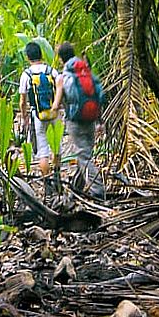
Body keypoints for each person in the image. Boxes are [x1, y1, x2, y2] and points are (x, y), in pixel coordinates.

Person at [52, 41, 105, 200]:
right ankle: (78, 186)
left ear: (61, 59)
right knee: (86, 153)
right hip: (91, 118)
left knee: (83, 156)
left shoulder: (64, 76)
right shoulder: (87, 72)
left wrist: (54, 110)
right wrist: (100, 121)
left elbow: (57, 103)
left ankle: (98, 190)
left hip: (75, 120)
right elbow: (98, 95)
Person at [18, 41, 59, 192]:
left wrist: (24, 118)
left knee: (43, 149)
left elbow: (22, 101)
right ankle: (58, 177)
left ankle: (47, 184)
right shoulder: (51, 71)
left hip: (38, 115)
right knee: (56, 146)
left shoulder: (26, 75)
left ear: (28, 57)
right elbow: (60, 90)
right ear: (41, 54)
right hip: (54, 113)